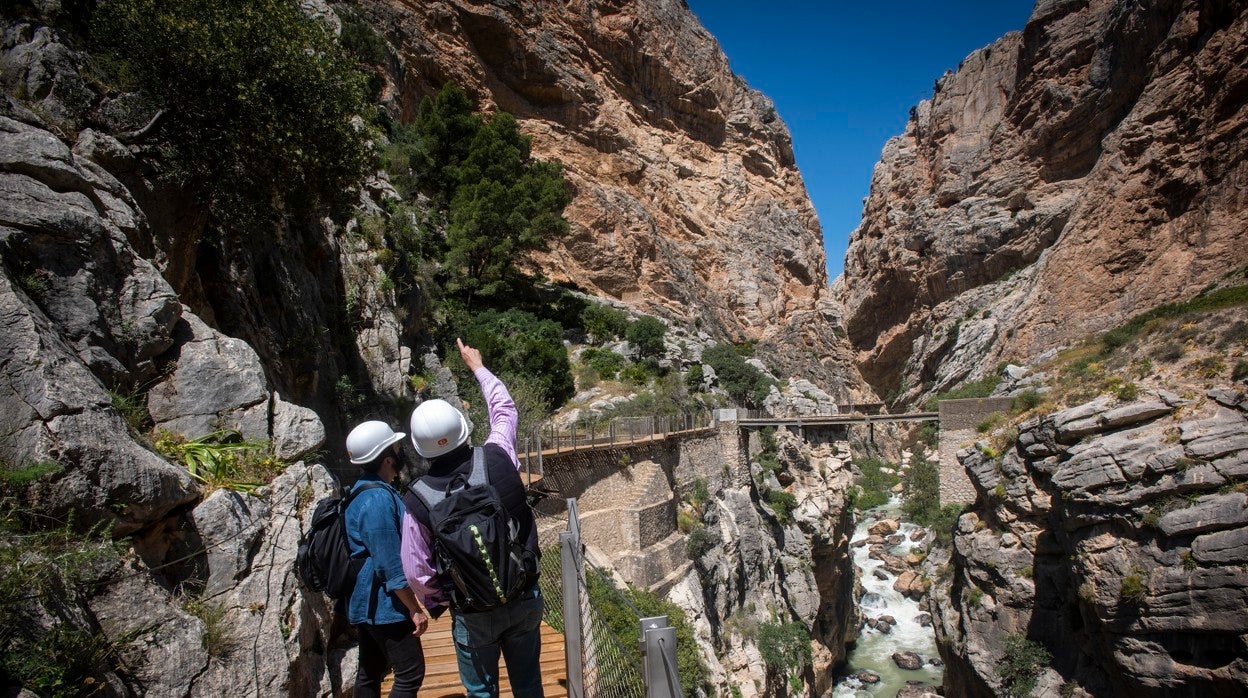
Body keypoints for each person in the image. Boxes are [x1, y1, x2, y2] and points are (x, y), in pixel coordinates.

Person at [400, 338, 544, 697]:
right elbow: (505, 411)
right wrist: (477, 367)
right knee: (528, 685)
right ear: (463, 427)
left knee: (481, 692)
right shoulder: (497, 457)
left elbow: (417, 571)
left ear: (419, 448)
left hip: (471, 610)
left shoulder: (417, 499)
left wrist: (444, 599)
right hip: (523, 594)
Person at [343, 420, 430, 698]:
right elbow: (388, 563)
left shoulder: (360, 489)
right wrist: (414, 608)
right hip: (385, 606)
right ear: (388, 458)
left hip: (366, 602)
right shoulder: (377, 500)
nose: (400, 447)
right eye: (395, 444)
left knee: (370, 672)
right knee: (410, 674)